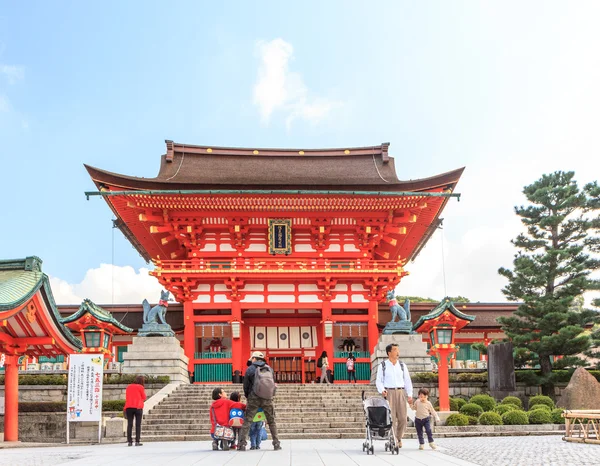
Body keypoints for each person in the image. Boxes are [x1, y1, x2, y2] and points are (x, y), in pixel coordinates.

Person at [237, 351, 281, 451]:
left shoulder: (250, 369)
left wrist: (248, 397)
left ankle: (242, 444)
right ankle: (276, 443)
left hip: (254, 397)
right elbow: (272, 383)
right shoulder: (269, 368)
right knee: (271, 421)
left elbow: (246, 386)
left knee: (248, 421)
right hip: (267, 398)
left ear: (254, 358)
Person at [375, 343, 413, 448]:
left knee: (403, 418)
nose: (398, 352)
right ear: (389, 353)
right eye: (395, 350)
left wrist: (409, 394)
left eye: (398, 350)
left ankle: (399, 437)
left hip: (401, 392)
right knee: (391, 418)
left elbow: (407, 381)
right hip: (389, 393)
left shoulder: (402, 365)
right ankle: (394, 439)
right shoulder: (382, 365)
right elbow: (379, 381)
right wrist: (382, 390)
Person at [124, 375, 147, 447]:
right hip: (138, 407)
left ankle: (129, 441)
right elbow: (144, 397)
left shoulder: (129, 386)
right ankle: (137, 441)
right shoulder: (141, 387)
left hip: (129, 407)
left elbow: (127, 396)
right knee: (138, 425)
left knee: (129, 424)